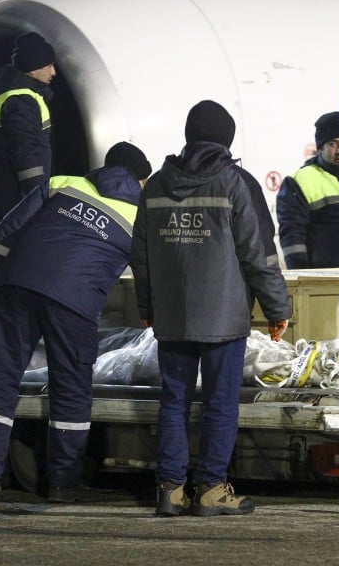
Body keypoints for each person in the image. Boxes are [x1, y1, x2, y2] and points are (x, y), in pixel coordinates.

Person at [0, 142, 152, 505]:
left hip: (17, 286)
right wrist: (151, 315)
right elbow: (147, 274)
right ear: (140, 181)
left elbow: (5, 231)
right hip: (74, 302)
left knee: (1, 378)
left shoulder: (62, 183)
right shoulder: (140, 218)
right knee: (71, 388)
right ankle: (62, 483)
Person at [130, 100, 292, 518]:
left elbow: (141, 256)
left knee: (174, 402)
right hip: (223, 316)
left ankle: (170, 489)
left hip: (171, 316)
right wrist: (277, 308)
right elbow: (260, 256)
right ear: (226, 140)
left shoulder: (158, 185)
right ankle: (211, 490)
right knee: (220, 404)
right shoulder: (236, 183)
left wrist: (147, 306)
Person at [0, 31, 57, 258]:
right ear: (34, 68)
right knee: (9, 265)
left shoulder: (4, 94)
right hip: (6, 201)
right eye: (49, 65)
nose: (53, 72)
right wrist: (37, 199)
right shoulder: (22, 100)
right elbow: (27, 155)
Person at [276, 111, 339, 269]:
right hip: (322, 279)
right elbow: (292, 234)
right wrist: (301, 275)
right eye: (332, 144)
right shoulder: (299, 181)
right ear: (320, 147)